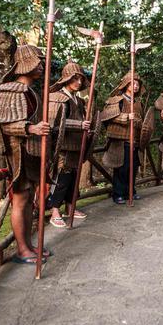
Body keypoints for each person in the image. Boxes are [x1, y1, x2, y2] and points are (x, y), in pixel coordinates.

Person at [0, 44, 52, 265]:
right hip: (17, 153)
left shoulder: (30, 92)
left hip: (30, 152)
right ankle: (22, 249)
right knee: (20, 200)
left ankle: (29, 245)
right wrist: (31, 129)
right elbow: (4, 125)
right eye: (38, 61)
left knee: (29, 199)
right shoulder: (9, 90)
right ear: (25, 64)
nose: (42, 66)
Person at [46, 62, 92, 228]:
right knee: (62, 179)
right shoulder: (57, 98)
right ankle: (55, 211)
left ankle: (70, 207)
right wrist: (79, 125)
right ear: (66, 79)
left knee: (74, 179)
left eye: (80, 79)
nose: (78, 82)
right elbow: (54, 125)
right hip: (63, 147)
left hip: (77, 145)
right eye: (75, 78)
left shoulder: (78, 101)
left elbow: (83, 121)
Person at [100, 72, 144, 204]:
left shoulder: (138, 103)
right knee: (122, 169)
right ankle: (118, 194)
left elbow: (142, 121)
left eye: (137, 84)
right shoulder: (117, 100)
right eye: (133, 83)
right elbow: (105, 117)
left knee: (133, 167)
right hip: (121, 140)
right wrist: (125, 117)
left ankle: (130, 191)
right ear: (126, 84)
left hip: (135, 140)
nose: (136, 86)